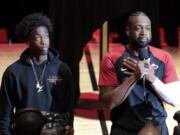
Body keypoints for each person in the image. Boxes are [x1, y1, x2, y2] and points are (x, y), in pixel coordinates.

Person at [98, 11, 180, 135]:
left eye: (148, 28)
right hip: (124, 129)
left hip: (158, 129)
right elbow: (107, 103)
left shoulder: (164, 57)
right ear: (127, 31)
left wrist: (152, 78)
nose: (144, 32)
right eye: (138, 28)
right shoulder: (112, 58)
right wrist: (134, 77)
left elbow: (175, 99)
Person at [0, 13, 74, 135]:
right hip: (25, 129)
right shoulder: (13, 72)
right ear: (28, 41)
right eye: (37, 37)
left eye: (46, 36)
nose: (44, 41)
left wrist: (69, 126)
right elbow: (4, 114)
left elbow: (68, 106)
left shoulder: (62, 69)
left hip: (53, 130)